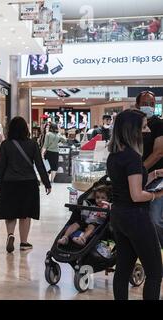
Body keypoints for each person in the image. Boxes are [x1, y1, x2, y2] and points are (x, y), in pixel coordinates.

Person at [107, 109, 163, 300]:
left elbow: (128, 186)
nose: (147, 131)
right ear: (133, 131)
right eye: (144, 127)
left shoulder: (114, 155)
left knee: (123, 269)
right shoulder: (132, 156)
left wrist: (154, 175)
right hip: (136, 217)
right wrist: (157, 194)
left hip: (119, 216)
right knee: (155, 272)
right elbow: (137, 195)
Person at [0, 117, 51, 253]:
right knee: (25, 214)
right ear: (26, 129)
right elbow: (39, 165)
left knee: (10, 212)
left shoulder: (5, 144)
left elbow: (2, 166)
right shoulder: (32, 144)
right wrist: (47, 183)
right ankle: (24, 242)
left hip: (9, 182)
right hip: (28, 183)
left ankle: (10, 234)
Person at [134, 90, 163, 247]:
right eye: (145, 104)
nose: (148, 107)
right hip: (136, 178)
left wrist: (139, 170)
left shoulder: (159, 125)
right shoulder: (133, 124)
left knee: (155, 218)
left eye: (151, 104)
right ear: (137, 105)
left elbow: (159, 152)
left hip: (156, 178)